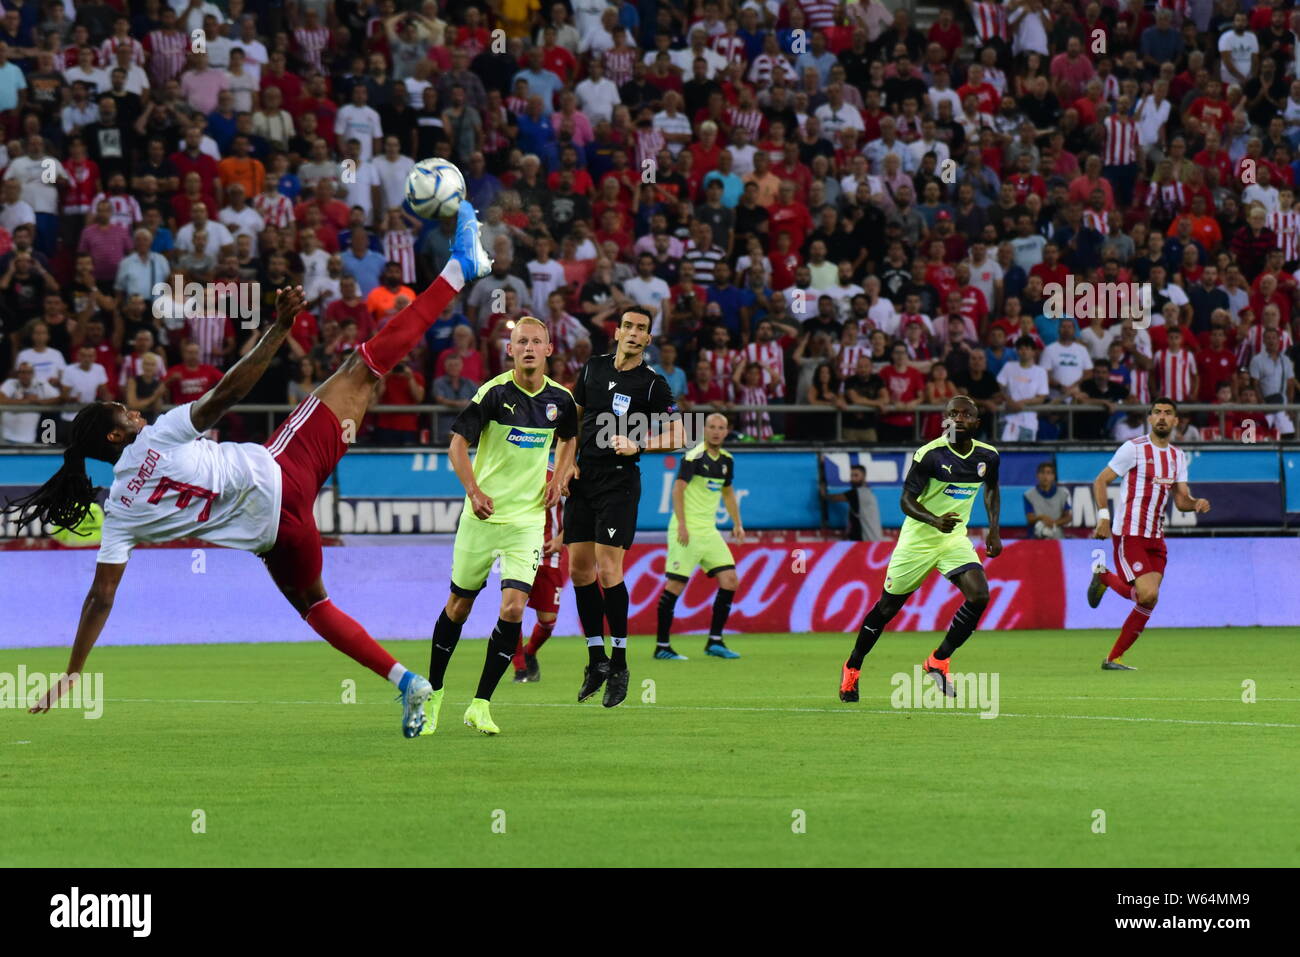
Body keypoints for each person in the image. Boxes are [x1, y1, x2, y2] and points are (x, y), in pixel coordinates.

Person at [8, 202, 495, 736]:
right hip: (287, 470)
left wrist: (73, 672)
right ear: (115, 435)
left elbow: (100, 597)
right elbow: (229, 391)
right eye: (126, 413)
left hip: (275, 537)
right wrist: (278, 329)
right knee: (363, 365)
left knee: (316, 606)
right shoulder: (159, 434)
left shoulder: (119, 511)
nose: (137, 411)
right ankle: (459, 269)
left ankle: (407, 683)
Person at [426, 316, 578, 734]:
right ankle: (434, 692)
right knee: (459, 606)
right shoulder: (493, 394)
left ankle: (480, 704)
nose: (528, 347)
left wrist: (561, 474)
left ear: (549, 349)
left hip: (527, 522)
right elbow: (457, 444)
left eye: (536, 341)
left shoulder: (561, 400)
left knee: (513, 608)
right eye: (520, 341)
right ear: (510, 350)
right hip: (481, 517)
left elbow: (570, 437)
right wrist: (473, 491)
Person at [840, 396, 1001, 701]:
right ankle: (853, 666)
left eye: (965, 414)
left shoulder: (988, 456)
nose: (958, 418)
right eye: (952, 414)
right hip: (917, 540)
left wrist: (993, 530)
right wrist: (934, 519)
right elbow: (905, 501)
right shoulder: (930, 455)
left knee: (980, 595)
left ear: (976, 423)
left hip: (953, 538)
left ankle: (938, 660)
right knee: (886, 609)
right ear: (945, 420)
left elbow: (992, 489)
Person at [562, 307, 685, 708]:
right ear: (617, 332)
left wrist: (640, 445)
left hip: (619, 481)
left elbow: (681, 434)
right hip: (584, 480)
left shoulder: (652, 385)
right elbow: (574, 421)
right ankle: (595, 659)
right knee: (579, 571)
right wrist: (566, 464)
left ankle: (620, 663)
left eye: (642, 329)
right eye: (628, 326)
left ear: (648, 340)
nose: (634, 333)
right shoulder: (592, 369)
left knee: (608, 568)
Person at [1086, 398, 1212, 670]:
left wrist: (1195, 503)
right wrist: (1103, 518)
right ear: (1150, 418)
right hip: (1129, 533)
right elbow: (1101, 480)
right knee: (1146, 592)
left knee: (1149, 597)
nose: (1162, 417)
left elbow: (1181, 500)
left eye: (1168, 413)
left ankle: (1113, 658)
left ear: (1176, 421)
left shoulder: (1177, 456)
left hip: (1156, 536)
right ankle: (1105, 576)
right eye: (1157, 413)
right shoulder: (1133, 449)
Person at [654, 413, 745, 661]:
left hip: (709, 531)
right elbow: (678, 489)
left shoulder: (727, 460)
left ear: (727, 431)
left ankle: (715, 641)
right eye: (712, 427)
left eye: (721, 427)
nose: (716, 431)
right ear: (704, 430)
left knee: (730, 580)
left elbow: (727, 493)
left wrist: (737, 523)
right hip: (687, 529)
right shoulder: (693, 456)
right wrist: (682, 524)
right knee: (675, 586)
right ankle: (662, 646)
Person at [511, 467, 568, 683]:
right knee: (512, 610)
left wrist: (562, 538)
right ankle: (520, 667)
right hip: (516, 552)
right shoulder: (512, 471)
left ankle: (530, 651)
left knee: (548, 620)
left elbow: (580, 509)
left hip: (548, 555)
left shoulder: (559, 473)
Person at [997, 334, 1049, 440]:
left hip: (1029, 423)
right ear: (1017, 351)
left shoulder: (1040, 371)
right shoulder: (1009, 366)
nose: (1024, 351)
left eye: (1027, 348)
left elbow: (1041, 398)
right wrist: (1009, 401)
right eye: (1020, 349)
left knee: (1027, 455)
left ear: (1033, 352)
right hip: (1007, 420)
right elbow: (999, 387)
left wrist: (1022, 403)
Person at [821, 463, 884, 541]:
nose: (853, 478)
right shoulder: (866, 493)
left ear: (863, 477)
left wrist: (823, 493)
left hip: (867, 541)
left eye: (856, 475)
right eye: (851, 476)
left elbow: (835, 498)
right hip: (866, 541)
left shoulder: (860, 493)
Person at [1024, 461, 1070, 539]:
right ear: (1037, 475)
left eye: (1048, 473)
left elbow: (1068, 517)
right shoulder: (1029, 495)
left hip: (1057, 537)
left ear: (1053, 476)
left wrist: (1054, 523)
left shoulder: (1062, 494)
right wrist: (1042, 517)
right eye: (1042, 473)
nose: (1045, 476)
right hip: (1035, 538)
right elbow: (1030, 518)